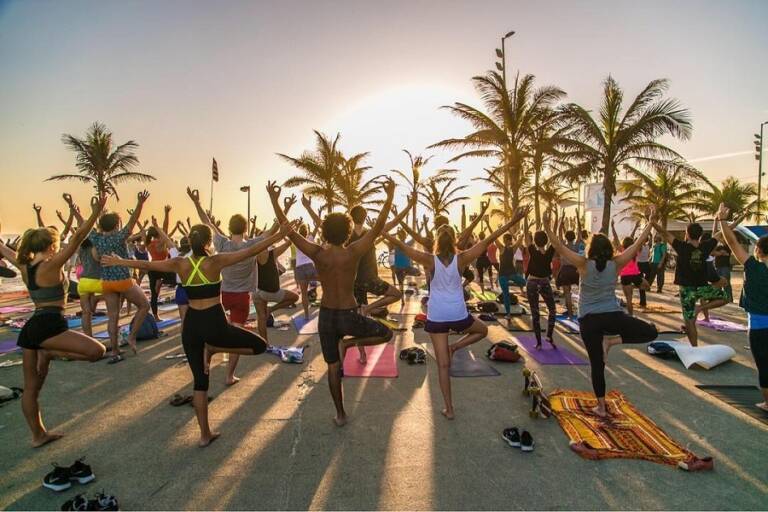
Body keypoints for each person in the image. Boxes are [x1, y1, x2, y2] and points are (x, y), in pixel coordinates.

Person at [102, 214, 291, 447]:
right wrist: (280, 235)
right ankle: (214, 348)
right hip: (214, 324)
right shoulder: (215, 261)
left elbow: (147, 265)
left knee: (200, 383)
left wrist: (120, 262)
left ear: (190, 242)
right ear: (208, 242)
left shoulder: (180, 263)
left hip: (191, 326)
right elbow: (249, 251)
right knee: (260, 345)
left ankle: (204, 435)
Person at [266, 179, 397, 427]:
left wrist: (274, 200)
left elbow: (289, 231)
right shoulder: (353, 252)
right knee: (386, 333)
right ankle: (349, 344)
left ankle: (340, 414)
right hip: (348, 314)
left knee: (333, 367)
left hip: (326, 317)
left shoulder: (318, 253)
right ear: (347, 233)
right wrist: (389, 196)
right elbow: (378, 227)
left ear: (325, 232)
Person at [385, 207, 527, 419]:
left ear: (437, 240)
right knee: (482, 330)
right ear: (453, 240)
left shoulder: (430, 260)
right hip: (458, 315)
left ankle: (449, 409)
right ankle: (456, 347)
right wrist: (514, 220)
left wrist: (383, 232)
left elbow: (403, 246)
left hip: (437, 317)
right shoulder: (461, 259)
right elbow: (489, 239)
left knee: (443, 366)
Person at [0, 197, 107, 447]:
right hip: (49, 325)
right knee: (97, 351)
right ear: (51, 246)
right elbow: (78, 237)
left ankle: (38, 436)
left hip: (32, 328)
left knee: (31, 389)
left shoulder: (24, 264)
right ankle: (51, 352)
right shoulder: (51, 264)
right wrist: (95, 213)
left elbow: (3, 249)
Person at [544, 209, 659, 417]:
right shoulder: (616, 263)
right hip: (612, 316)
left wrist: (546, 225)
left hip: (589, 320)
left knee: (597, 364)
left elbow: (558, 246)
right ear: (608, 249)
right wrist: (650, 222)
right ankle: (613, 341)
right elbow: (636, 245)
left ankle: (601, 407)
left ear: (591, 248)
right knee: (651, 332)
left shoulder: (583, 264)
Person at [188, 187, 281, 385]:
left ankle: (207, 358)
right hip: (241, 298)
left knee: (216, 333)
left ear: (229, 228)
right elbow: (272, 232)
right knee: (235, 335)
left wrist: (196, 202)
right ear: (245, 228)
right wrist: (282, 206)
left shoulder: (222, 244)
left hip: (222, 296)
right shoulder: (251, 245)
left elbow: (207, 223)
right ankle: (229, 376)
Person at [716, 203, 768, 412]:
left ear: (758, 250)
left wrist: (722, 219)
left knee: (764, 365)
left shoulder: (753, 267)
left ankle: (767, 403)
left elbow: (731, 242)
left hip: (758, 327)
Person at [89, 191, 151, 363]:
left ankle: (115, 351)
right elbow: (132, 221)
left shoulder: (96, 238)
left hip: (107, 282)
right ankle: (131, 336)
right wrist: (140, 203)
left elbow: (85, 224)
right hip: (123, 280)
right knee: (144, 305)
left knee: (113, 317)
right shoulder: (119, 237)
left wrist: (95, 210)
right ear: (117, 225)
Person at [654, 221, 727, 346]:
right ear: (700, 235)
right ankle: (700, 308)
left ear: (687, 234)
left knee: (689, 322)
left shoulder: (681, 246)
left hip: (687, 290)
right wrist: (723, 220)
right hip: (701, 288)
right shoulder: (706, 246)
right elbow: (721, 233)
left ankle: (694, 348)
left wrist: (652, 221)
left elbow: (664, 233)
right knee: (725, 298)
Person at [345, 201, 411, 317]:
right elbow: (394, 222)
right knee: (397, 294)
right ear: (365, 218)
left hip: (353, 282)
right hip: (370, 279)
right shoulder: (370, 234)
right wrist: (409, 206)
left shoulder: (347, 237)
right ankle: (369, 308)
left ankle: (366, 310)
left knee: (360, 314)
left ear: (351, 218)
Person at [526, 230, 557, 349]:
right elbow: (554, 238)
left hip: (532, 282)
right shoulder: (549, 252)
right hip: (544, 282)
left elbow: (526, 235)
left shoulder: (533, 251)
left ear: (535, 241)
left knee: (535, 312)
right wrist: (554, 226)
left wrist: (525, 221)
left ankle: (539, 343)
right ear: (546, 241)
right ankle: (549, 335)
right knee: (552, 309)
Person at [494, 232, 526, 321]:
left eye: (505, 240)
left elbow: (520, 239)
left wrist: (524, 231)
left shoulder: (513, 248)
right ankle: (508, 314)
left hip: (511, 273)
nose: (504, 241)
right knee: (506, 295)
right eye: (504, 240)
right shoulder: (501, 248)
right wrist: (488, 225)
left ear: (509, 241)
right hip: (503, 275)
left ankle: (510, 283)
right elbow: (495, 237)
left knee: (524, 282)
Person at [555, 230, 581, 318]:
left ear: (566, 237)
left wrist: (561, 224)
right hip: (575, 270)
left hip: (565, 271)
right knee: (582, 291)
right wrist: (578, 222)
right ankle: (582, 312)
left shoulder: (563, 246)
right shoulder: (576, 246)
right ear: (574, 237)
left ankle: (570, 315)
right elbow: (579, 234)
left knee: (567, 294)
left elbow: (559, 234)